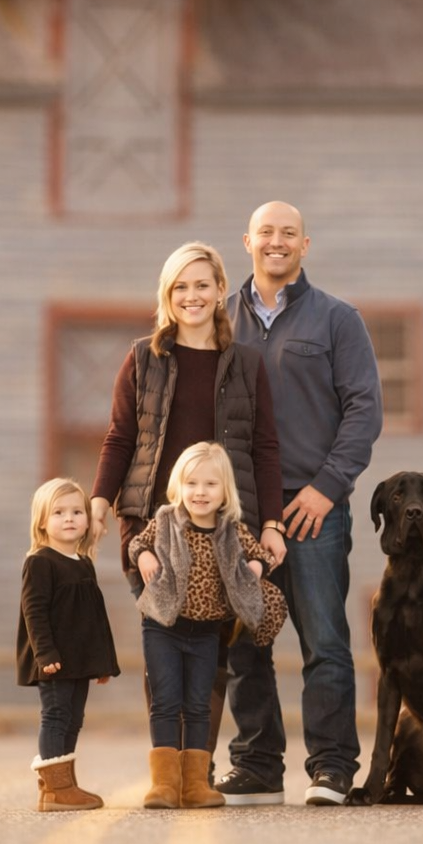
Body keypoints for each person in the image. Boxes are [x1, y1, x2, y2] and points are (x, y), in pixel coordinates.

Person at [89, 241, 288, 762]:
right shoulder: (142, 359)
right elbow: (119, 438)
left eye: (202, 285)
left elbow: (265, 448)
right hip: (153, 527)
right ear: (167, 294)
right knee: (162, 647)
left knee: (212, 653)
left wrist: (271, 524)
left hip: (223, 527)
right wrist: (98, 502)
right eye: (181, 286)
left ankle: (196, 769)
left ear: (222, 290)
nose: (192, 296)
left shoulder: (246, 363)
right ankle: (166, 765)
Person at [218, 200, 383, 807]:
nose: (277, 242)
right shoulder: (218, 318)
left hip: (314, 507)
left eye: (289, 233)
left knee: (325, 641)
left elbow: (364, 410)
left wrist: (327, 486)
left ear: (305, 246)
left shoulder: (339, 320)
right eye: (266, 232)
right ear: (247, 241)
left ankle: (332, 767)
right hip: (239, 512)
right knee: (244, 640)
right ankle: (258, 766)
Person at [129, 442, 287, 809]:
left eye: (210, 485)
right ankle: (165, 784)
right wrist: (147, 556)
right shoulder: (167, 520)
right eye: (192, 483)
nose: (200, 492)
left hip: (206, 633)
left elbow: (260, 554)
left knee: (199, 704)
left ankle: (195, 784)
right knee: (166, 701)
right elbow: (138, 543)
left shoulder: (230, 530)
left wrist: (257, 568)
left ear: (225, 491)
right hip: (163, 625)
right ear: (179, 486)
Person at [16, 477, 121, 812]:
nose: (70, 518)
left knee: (74, 718)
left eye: (77, 511)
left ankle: (59, 788)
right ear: (43, 522)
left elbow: (94, 620)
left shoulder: (83, 563)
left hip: (80, 660)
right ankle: (58, 788)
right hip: (55, 659)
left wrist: (103, 662)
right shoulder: (40, 562)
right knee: (56, 716)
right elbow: (34, 612)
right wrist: (44, 653)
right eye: (59, 512)